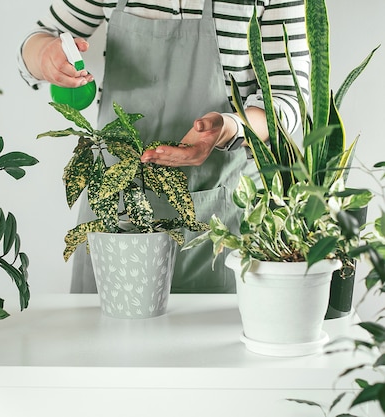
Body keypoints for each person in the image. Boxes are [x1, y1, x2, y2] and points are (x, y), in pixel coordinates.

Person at [18, 0, 310, 294]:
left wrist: (227, 128)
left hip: (222, 215)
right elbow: (37, 41)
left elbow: (289, 100)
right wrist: (45, 55)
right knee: (108, 336)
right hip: (115, 211)